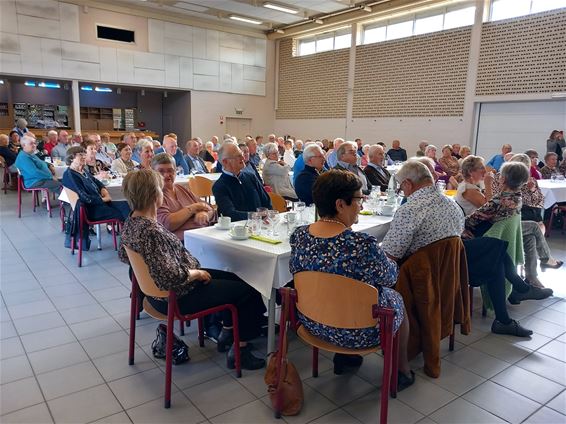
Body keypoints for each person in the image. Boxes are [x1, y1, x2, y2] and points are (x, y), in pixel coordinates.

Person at [119, 169, 266, 369]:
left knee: (237, 277)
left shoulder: (131, 223)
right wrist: (196, 273)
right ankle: (239, 350)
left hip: (154, 294)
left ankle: (228, 331)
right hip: (178, 295)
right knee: (249, 290)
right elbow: (172, 277)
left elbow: (123, 255)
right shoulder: (151, 231)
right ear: (156, 194)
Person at [289, 170, 414, 387]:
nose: (362, 206)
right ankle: (401, 371)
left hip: (312, 325)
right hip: (359, 333)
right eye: (358, 200)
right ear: (340, 204)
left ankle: (345, 359)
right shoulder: (361, 244)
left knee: (335, 288)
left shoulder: (299, 236)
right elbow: (390, 277)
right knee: (395, 298)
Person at [487, 155, 562, 288]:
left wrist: (532, 190)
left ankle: (531, 276)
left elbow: (539, 203)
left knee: (531, 237)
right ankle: (542, 264)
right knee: (534, 229)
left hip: (523, 217)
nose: (526, 172)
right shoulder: (500, 179)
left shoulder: (529, 180)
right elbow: (500, 201)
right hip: (507, 220)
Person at [381, 161, 464, 261]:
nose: (402, 192)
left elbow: (389, 256)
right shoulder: (454, 205)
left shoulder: (409, 210)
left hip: (416, 272)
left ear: (408, 183)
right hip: (449, 271)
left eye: (401, 188)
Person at [152, 153, 216, 240]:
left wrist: (204, 214)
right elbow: (167, 224)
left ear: (175, 171)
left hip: (204, 235)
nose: (167, 175)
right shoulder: (155, 195)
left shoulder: (181, 188)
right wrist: (193, 208)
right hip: (181, 243)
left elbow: (210, 208)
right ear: (153, 173)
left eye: (170, 170)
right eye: (161, 171)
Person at [62, 146, 130, 222]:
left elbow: (97, 182)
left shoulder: (83, 171)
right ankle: (132, 231)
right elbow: (84, 197)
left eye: (84, 154)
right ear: (71, 158)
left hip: (99, 205)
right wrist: (103, 199)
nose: (84, 156)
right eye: (80, 155)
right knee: (125, 212)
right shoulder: (70, 175)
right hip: (91, 209)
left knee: (127, 204)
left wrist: (104, 190)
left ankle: (131, 231)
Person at [213, 143, 271, 220]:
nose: (243, 158)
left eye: (242, 154)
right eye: (238, 156)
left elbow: (266, 202)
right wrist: (256, 216)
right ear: (225, 162)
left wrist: (267, 216)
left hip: (261, 225)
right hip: (238, 229)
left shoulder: (251, 177)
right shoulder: (219, 186)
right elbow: (230, 214)